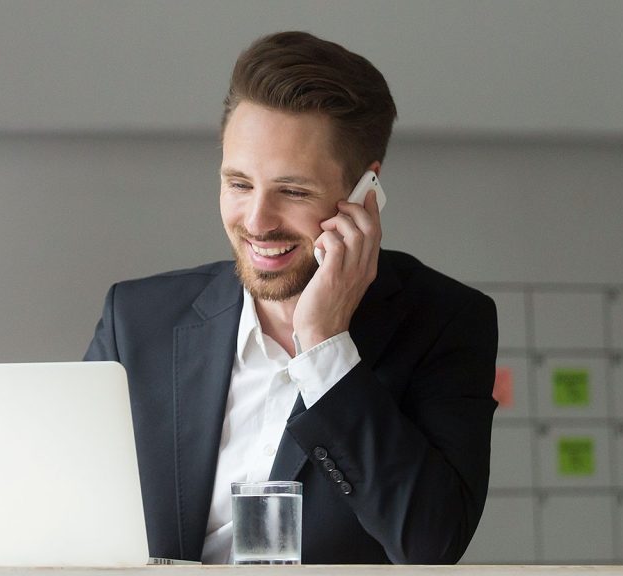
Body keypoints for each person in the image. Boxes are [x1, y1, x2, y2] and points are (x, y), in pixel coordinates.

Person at [84, 31, 498, 564]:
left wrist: (326, 347)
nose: (257, 221)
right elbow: (64, 508)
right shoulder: (136, 320)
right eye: (239, 184)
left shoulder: (445, 322)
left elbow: (431, 544)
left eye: (293, 191)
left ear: (365, 193)